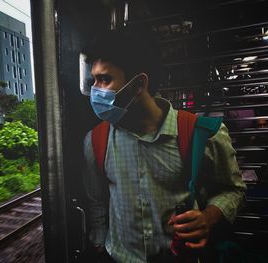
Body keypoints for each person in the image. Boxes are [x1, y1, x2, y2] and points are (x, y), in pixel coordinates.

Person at [81, 28, 246, 263]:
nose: (95, 91)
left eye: (105, 79)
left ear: (138, 85)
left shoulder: (203, 134)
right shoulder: (95, 141)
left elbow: (233, 189)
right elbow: (96, 201)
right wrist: (99, 243)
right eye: (94, 80)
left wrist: (208, 217)